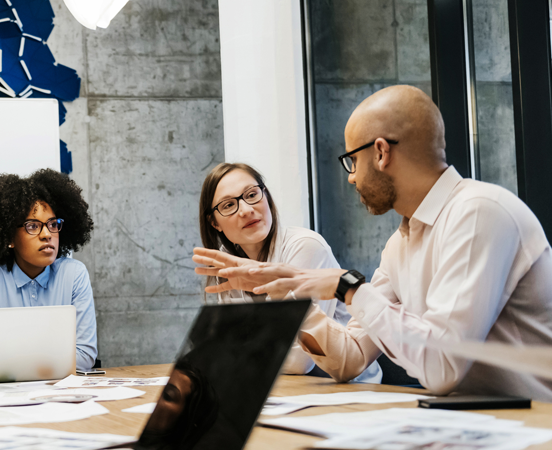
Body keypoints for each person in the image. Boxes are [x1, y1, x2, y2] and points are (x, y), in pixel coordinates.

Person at [194, 85, 552, 401]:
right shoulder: (400, 243)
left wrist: (347, 287)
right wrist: (282, 291)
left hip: (535, 426)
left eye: (353, 160)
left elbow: (442, 368)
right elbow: (349, 359)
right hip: (473, 423)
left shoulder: (478, 212)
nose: (351, 178)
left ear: (380, 152)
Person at [196, 162, 381, 383]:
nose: (246, 210)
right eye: (228, 205)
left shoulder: (305, 246)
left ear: (266, 195)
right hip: (281, 389)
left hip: (348, 389)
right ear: (214, 223)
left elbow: (300, 360)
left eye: (252, 194)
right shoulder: (225, 262)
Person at [0, 169, 97, 371]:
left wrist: (13, 359)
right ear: (9, 237)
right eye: (33, 226)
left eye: (53, 224)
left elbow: (85, 356)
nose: (47, 234)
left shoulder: (74, 274)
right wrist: (51, 358)